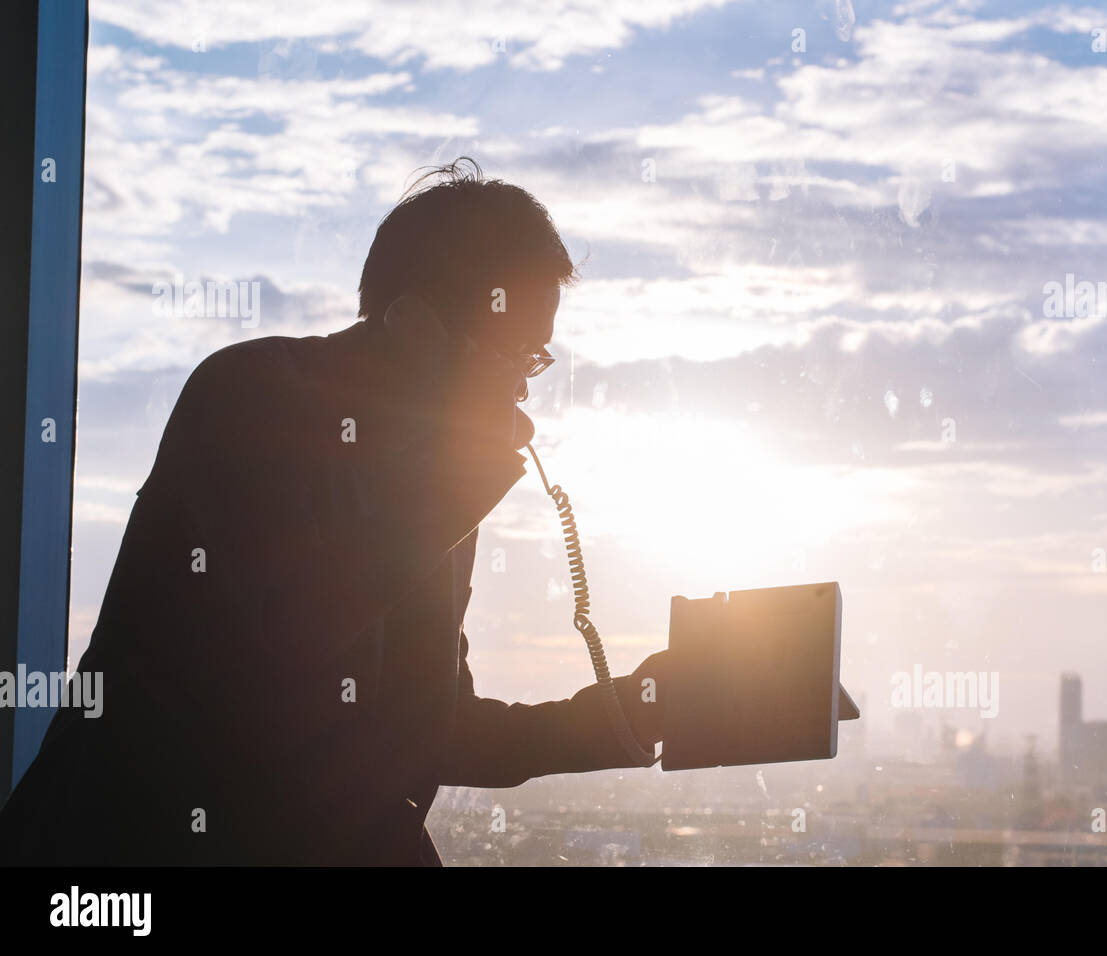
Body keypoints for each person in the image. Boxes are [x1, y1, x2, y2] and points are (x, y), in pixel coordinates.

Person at [0, 157, 669, 865]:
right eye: (514, 356)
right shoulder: (248, 396)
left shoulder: (435, 489)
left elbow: (434, 730)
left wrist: (634, 711)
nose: (522, 396)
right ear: (416, 325)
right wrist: (458, 482)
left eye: (534, 361)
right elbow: (273, 646)